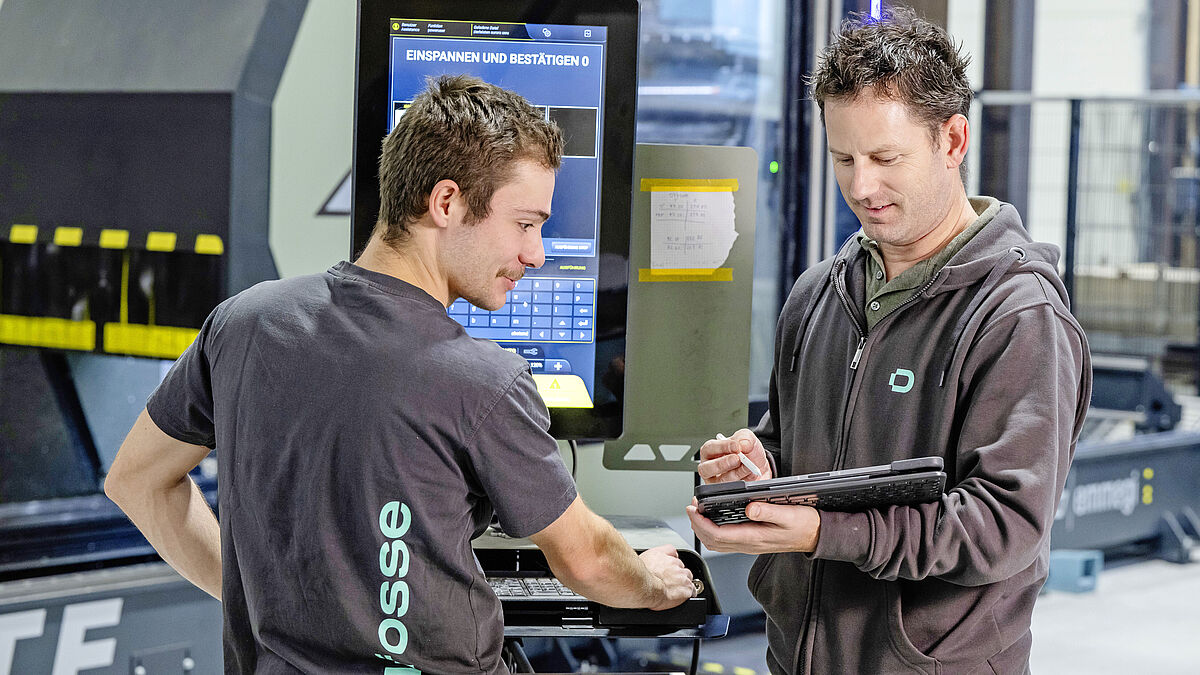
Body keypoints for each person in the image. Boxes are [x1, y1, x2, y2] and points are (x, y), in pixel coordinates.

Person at [105, 74, 695, 674]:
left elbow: (137, 481)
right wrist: (656, 583)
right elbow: (587, 560)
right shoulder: (484, 382)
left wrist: (261, 604)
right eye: (525, 223)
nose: (536, 253)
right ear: (446, 203)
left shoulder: (244, 323)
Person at [687, 8, 1091, 674]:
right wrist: (756, 470)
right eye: (843, 158)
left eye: (885, 157)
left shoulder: (1018, 315)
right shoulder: (819, 293)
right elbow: (796, 445)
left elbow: (1002, 527)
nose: (860, 185)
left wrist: (823, 531)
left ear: (953, 139)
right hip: (798, 656)